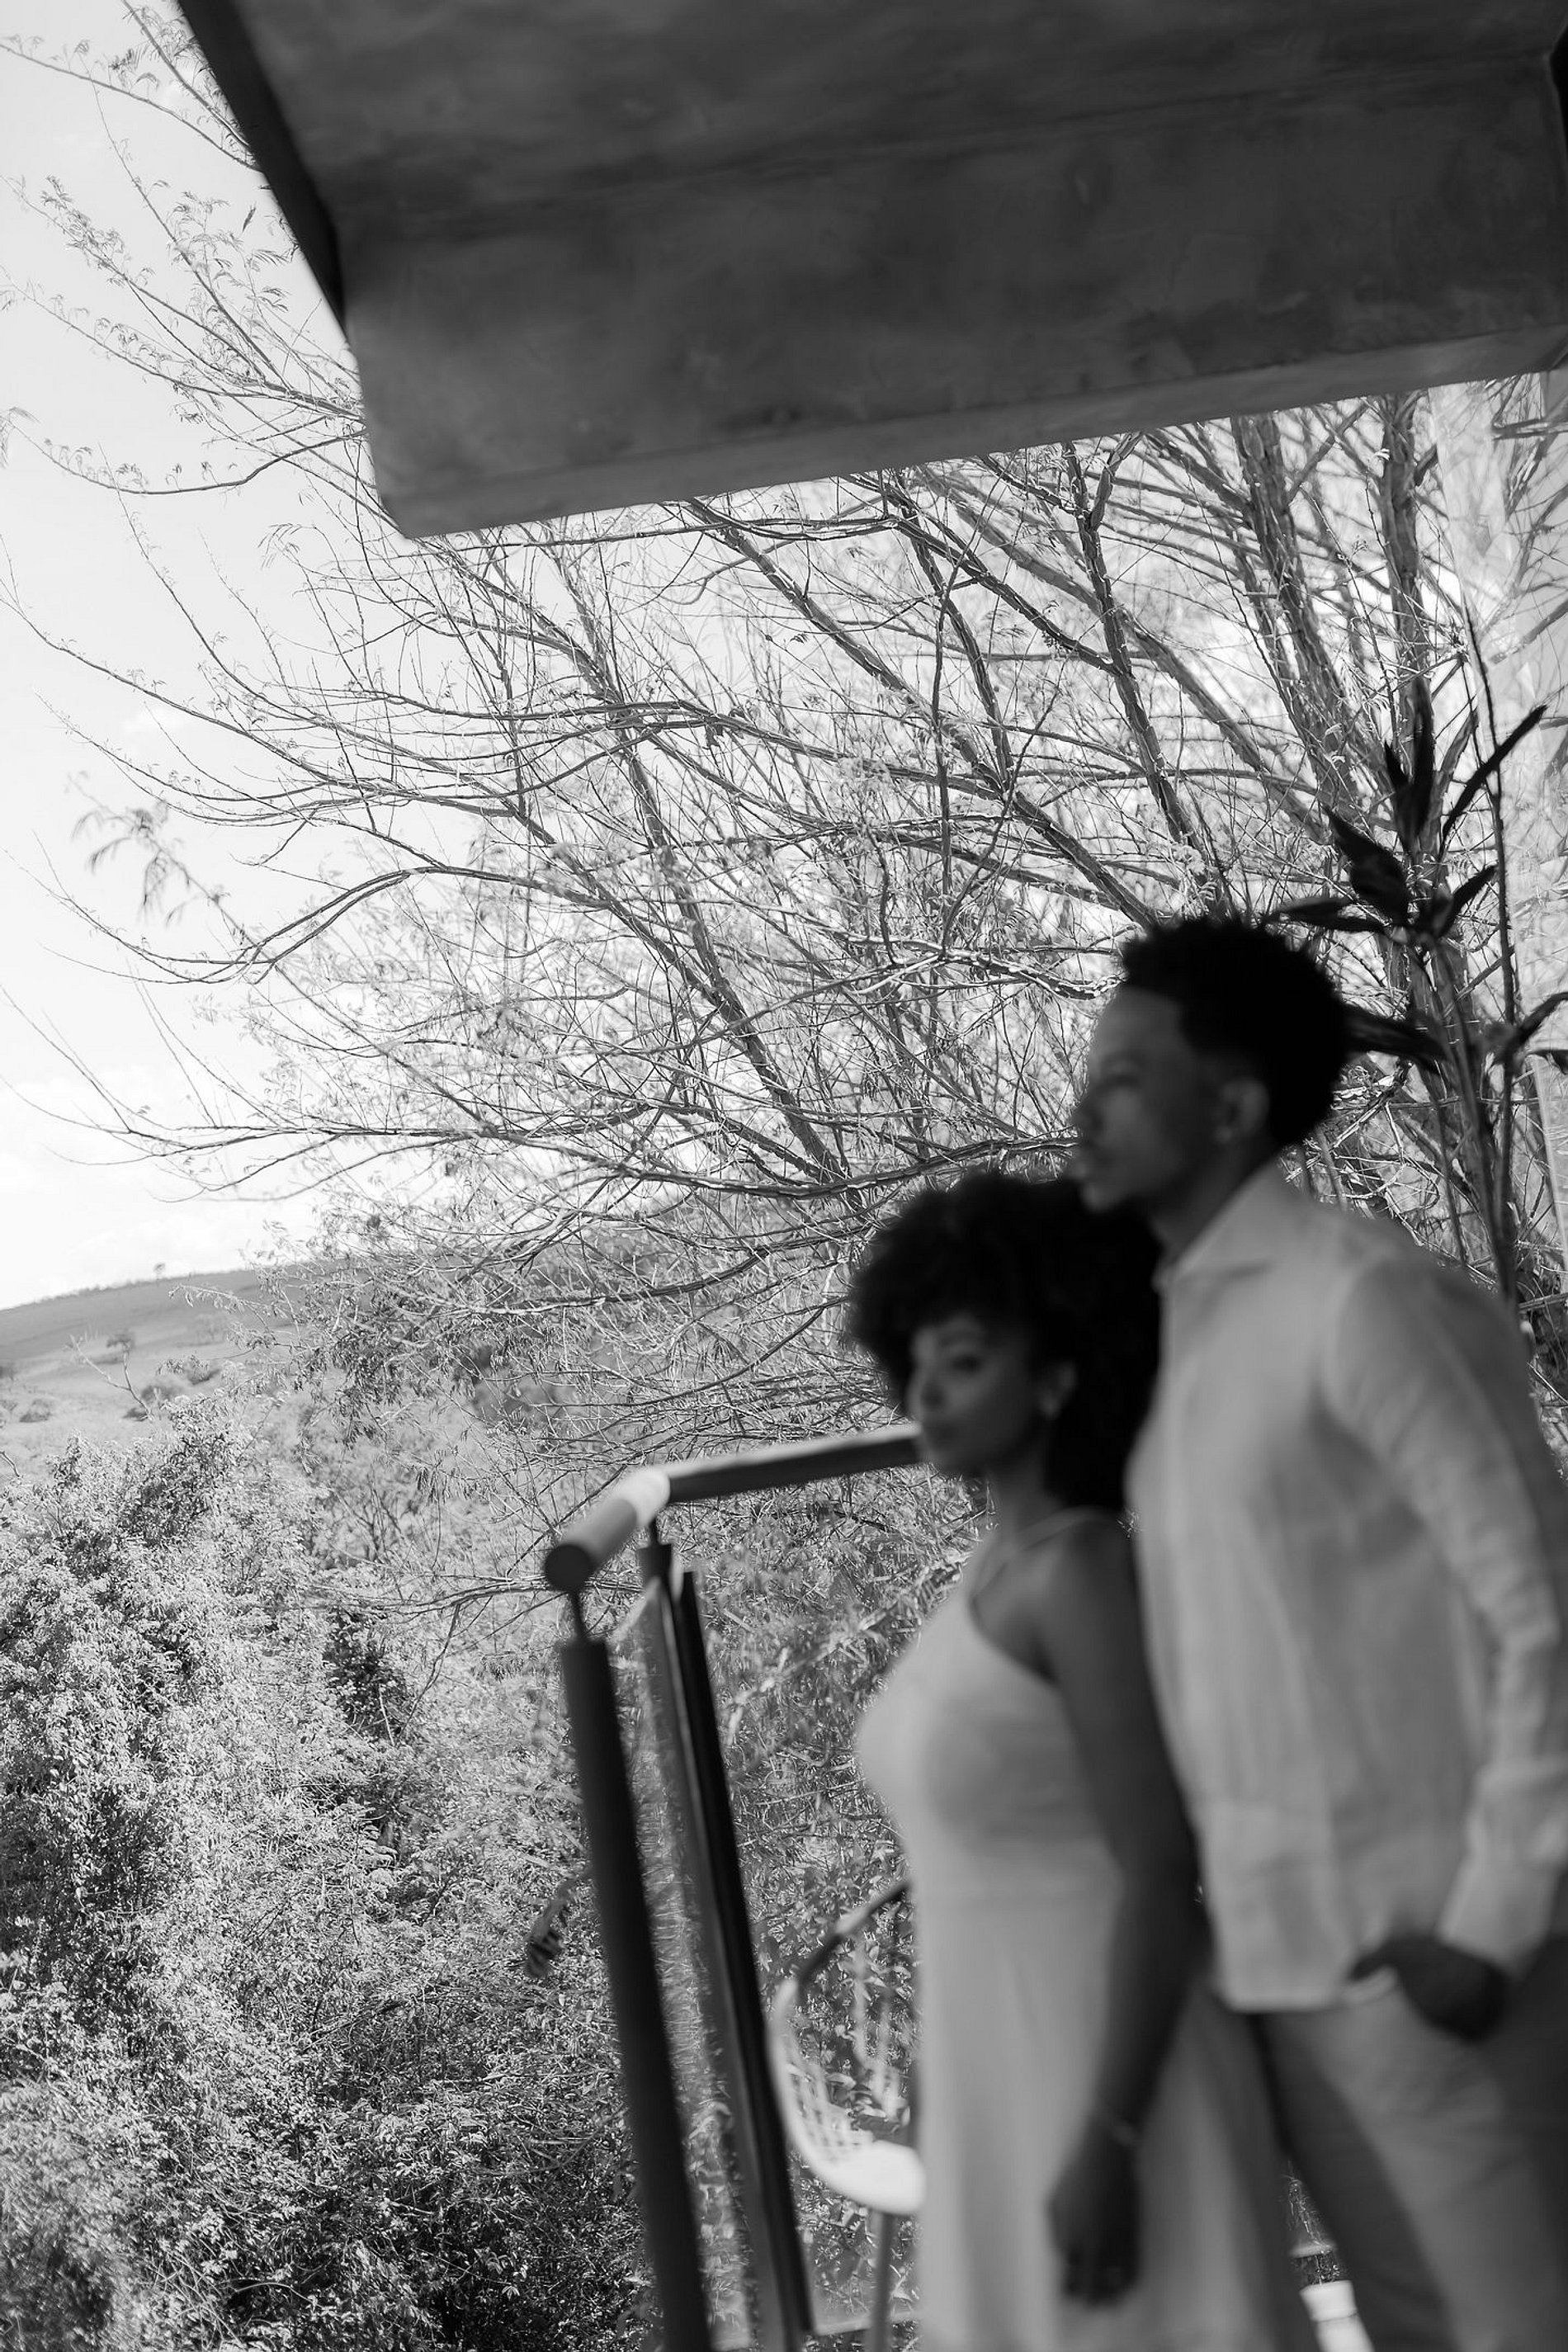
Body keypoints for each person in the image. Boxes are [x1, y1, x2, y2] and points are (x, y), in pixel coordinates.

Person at [1072, 913, 1568, 2352]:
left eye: (1123, 1078)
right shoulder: (1184, 1334)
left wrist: (1489, 1927)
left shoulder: (1363, 1300)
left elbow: (1547, 1610)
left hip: (1449, 1981)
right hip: (1287, 1988)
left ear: (1232, 1106)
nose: (1082, 1112)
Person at [849, 1171, 1315, 2352]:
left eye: (965, 1361)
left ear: (1060, 1372)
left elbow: (1160, 1870)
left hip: (1108, 2077)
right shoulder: (992, 1571)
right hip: (1003, 2072)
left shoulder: (1081, 1572)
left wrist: (1111, 2134)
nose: (927, 1392)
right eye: (917, 1362)